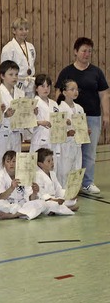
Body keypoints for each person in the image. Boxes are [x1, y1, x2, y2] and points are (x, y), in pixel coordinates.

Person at [55, 37, 109, 194]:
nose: (87, 54)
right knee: (69, 151)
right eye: (84, 51)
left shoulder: (96, 72)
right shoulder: (67, 72)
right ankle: (67, 183)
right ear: (75, 52)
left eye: (90, 51)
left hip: (92, 116)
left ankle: (87, 182)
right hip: (70, 117)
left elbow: (104, 94)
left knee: (89, 151)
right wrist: (58, 115)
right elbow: (58, 93)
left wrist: (106, 114)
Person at [0, 61, 25, 175]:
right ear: (2, 76)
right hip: (3, 133)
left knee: (16, 165)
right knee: (0, 165)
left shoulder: (21, 93)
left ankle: (16, 191)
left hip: (16, 133)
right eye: (11, 74)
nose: (14, 77)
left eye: (16, 74)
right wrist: (4, 115)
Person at [0, 151, 45, 220]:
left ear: (18, 162)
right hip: (8, 204)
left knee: (42, 203)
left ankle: (12, 215)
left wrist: (35, 192)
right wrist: (11, 188)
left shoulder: (24, 174)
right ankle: (24, 213)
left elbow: (30, 198)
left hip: (22, 203)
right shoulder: (0, 176)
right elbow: (0, 197)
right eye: (8, 161)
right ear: (4, 164)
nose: (11, 164)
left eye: (14, 161)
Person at [30, 75, 61, 175]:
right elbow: (27, 124)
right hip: (40, 141)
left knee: (53, 169)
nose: (46, 89)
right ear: (36, 88)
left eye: (48, 86)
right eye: (42, 86)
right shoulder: (32, 103)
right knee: (38, 171)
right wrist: (39, 122)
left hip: (53, 141)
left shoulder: (54, 104)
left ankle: (52, 189)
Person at [56, 79, 84, 186]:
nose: (75, 92)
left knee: (76, 170)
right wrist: (67, 133)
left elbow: (82, 126)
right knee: (64, 172)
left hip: (77, 144)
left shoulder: (80, 108)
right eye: (72, 89)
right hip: (65, 145)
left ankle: (73, 195)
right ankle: (63, 195)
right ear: (64, 92)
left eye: (77, 89)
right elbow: (57, 131)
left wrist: (85, 131)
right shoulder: (59, 109)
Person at [35, 148, 78, 215]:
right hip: (46, 201)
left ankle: (58, 209)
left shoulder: (52, 174)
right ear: (40, 164)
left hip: (55, 199)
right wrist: (53, 200)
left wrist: (69, 195)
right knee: (50, 204)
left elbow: (58, 189)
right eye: (48, 161)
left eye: (52, 160)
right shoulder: (37, 175)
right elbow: (40, 194)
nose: (52, 163)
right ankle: (63, 209)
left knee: (72, 201)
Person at [0, 17, 36, 97]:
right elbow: (5, 69)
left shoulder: (31, 47)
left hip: (30, 83)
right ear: (14, 31)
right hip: (16, 83)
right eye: (21, 29)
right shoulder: (8, 48)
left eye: (26, 29)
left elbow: (31, 64)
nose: (24, 32)